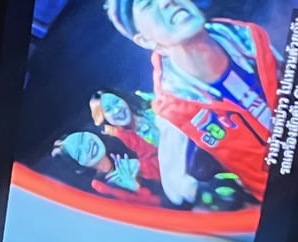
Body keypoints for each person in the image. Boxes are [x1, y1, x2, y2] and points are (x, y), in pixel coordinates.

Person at [105, 0, 280, 204]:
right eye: (148, 3)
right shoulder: (175, 111)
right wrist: (215, 195)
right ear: (145, 41)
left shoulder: (250, 37)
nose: (166, 1)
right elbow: (176, 187)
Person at [51, 129, 165, 205]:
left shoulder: (121, 139)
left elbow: (162, 155)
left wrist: (141, 166)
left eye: (82, 138)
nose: (87, 146)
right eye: (79, 153)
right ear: (79, 168)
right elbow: (158, 205)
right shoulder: (101, 189)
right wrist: (135, 187)